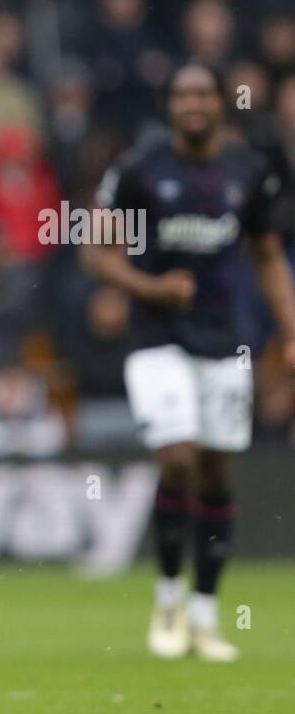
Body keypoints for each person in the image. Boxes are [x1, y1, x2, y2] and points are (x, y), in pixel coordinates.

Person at [84, 60, 295, 662]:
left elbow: (267, 255)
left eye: (203, 93)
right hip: (157, 338)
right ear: (169, 106)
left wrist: (290, 329)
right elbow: (95, 252)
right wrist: (147, 289)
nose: (193, 103)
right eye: (182, 94)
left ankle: (205, 614)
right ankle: (168, 600)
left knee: (218, 473)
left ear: (221, 103)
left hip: (227, 340)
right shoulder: (139, 170)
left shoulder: (249, 171)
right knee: (177, 459)